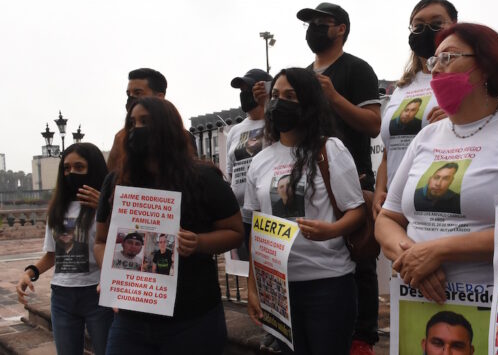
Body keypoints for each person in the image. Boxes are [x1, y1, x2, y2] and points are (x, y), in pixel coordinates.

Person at [376, 22, 498, 303]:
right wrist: (411, 257)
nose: (436, 68)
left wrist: (439, 251)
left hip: (497, 305)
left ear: (486, 66)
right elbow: (388, 219)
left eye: (448, 57)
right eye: (434, 60)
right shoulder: (426, 137)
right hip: (417, 302)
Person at [94, 97, 243, 354]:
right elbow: (101, 241)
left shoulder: (203, 178)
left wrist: (199, 243)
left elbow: (235, 232)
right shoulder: (117, 181)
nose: (136, 129)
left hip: (192, 319)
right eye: (132, 123)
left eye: (145, 122)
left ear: (166, 127)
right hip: (131, 320)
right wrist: (111, 276)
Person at [244, 68, 365, 355]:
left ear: (309, 102)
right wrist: (253, 287)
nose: (278, 102)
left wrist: (332, 230)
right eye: (275, 96)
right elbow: (255, 230)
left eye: (290, 96)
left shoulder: (329, 149)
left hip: (328, 285)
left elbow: (357, 211)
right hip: (278, 290)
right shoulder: (259, 161)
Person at [373, 0, 498, 220]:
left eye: (436, 23)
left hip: (452, 207)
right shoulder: (400, 88)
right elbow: (388, 150)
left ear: (454, 25)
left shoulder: (479, 82)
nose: (426, 30)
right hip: (398, 206)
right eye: (418, 26)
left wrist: (455, 120)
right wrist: (380, 190)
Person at [297, 1, 381, 354]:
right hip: (310, 178)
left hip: (352, 177)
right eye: (310, 22)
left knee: (358, 254)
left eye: (321, 22)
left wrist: (333, 97)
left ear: (341, 28)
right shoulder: (302, 73)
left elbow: (374, 124)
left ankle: (362, 337)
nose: (314, 28)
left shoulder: (356, 69)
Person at [16, 143, 112, 355]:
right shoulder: (58, 209)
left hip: (97, 292)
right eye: (66, 168)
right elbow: (53, 254)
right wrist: (30, 273)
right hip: (62, 296)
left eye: (79, 167)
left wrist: (107, 208)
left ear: (93, 168)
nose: (72, 173)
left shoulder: (108, 205)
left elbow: (122, 243)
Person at [227, 68, 272, 205]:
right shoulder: (234, 131)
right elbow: (230, 173)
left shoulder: (275, 124)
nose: (243, 94)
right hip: (241, 210)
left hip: (267, 207)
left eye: (248, 88)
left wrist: (268, 104)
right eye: (241, 90)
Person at [107, 68, 167, 170]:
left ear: (159, 97)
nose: (131, 97)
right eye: (128, 94)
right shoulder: (121, 137)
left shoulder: (179, 136)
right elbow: (112, 177)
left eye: (138, 93)